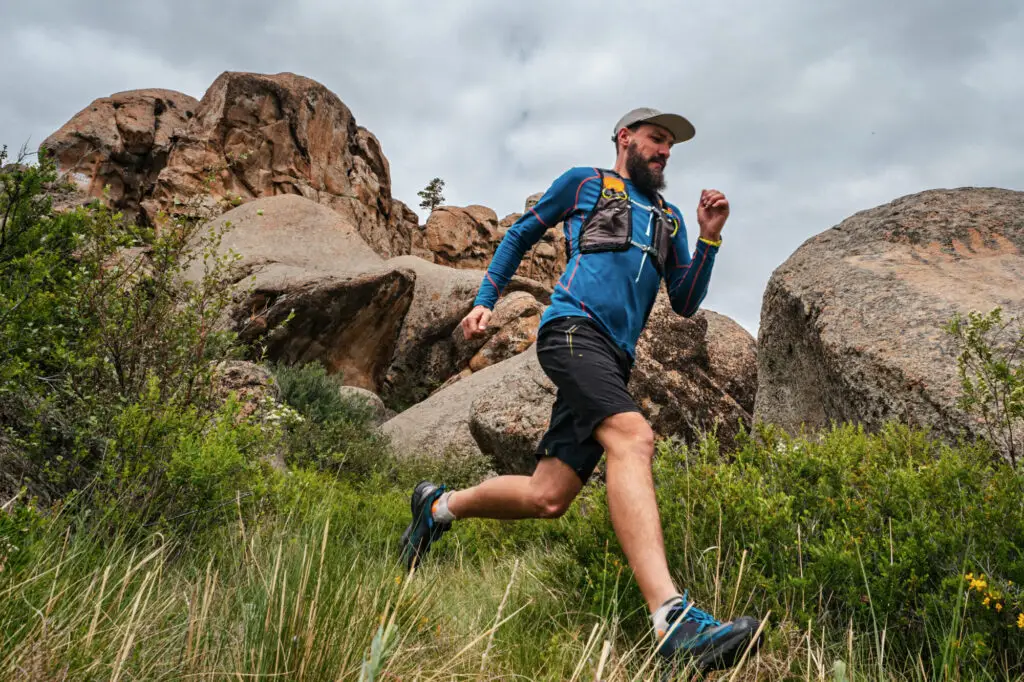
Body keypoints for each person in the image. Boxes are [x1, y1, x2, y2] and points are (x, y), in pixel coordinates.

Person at [398, 107, 763, 672]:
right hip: (572, 329)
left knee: (549, 496)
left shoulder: (669, 218)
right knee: (633, 438)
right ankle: (673, 621)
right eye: (656, 139)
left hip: (613, 358)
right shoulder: (587, 182)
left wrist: (710, 240)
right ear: (625, 138)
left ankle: (438, 507)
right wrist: (484, 300)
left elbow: (686, 302)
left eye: (671, 146)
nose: (665, 151)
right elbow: (522, 232)